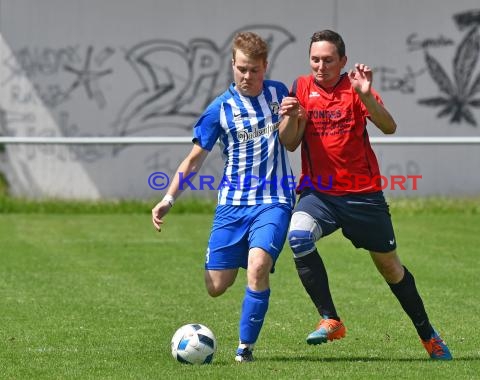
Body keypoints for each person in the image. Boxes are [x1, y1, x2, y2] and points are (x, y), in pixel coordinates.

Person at [282, 29, 452, 360]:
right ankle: (331, 318)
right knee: (298, 236)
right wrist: (289, 118)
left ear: (342, 61)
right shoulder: (301, 87)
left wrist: (367, 95)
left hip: (363, 197)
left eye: (328, 60)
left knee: (391, 269)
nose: (321, 66)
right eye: (315, 59)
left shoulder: (356, 89)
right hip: (319, 194)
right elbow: (289, 142)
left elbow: (389, 127)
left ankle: (428, 335)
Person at [151, 31, 301, 363]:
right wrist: (168, 199)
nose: (248, 77)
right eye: (242, 69)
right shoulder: (219, 109)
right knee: (216, 286)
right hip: (232, 206)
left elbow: (291, 141)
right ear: (233, 64)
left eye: (255, 70)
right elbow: (193, 160)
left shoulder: (280, 95)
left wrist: (291, 117)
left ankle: (244, 349)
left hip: (273, 201)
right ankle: (244, 251)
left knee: (258, 267)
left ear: (266, 67)